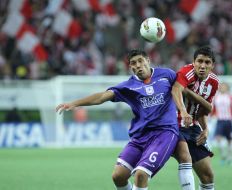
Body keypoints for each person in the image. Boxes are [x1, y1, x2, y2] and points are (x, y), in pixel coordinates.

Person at [56, 49, 179, 190]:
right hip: (140, 137)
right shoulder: (128, 86)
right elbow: (102, 97)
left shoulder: (167, 75)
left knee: (141, 175)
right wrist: (75, 103)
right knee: (118, 176)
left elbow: (183, 90)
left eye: (140, 61)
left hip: (164, 134)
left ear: (148, 61)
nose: (138, 65)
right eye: (133, 63)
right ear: (130, 67)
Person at [171, 46, 219, 190]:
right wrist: (183, 111)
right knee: (185, 157)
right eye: (199, 61)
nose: (203, 66)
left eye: (207, 62)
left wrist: (205, 129)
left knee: (207, 176)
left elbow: (203, 111)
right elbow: (176, 89)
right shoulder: (186, 72)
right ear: (193, 62)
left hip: (192, 127)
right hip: (173, 124)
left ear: (212, 65)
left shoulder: (214, 82)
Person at [212, 82, 232, 165]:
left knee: (230, 140)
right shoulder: (216, 97)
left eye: (224, 86)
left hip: (229, 121)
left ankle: (230, 158)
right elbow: (212, 109)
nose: (222, 88)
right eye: (221, 86)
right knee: (218, 138)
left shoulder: (231, 97)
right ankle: (223, 155)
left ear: (227, 88)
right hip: (219, 120)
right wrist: (210, 117)